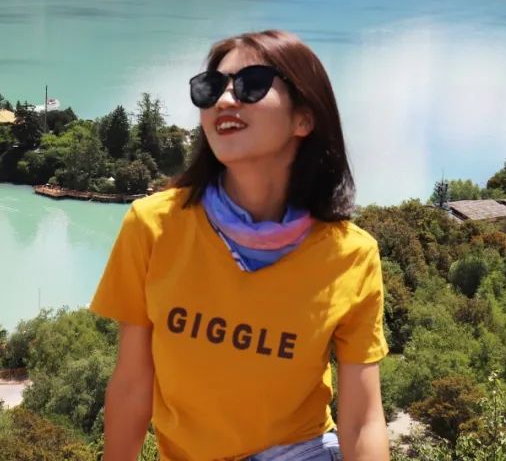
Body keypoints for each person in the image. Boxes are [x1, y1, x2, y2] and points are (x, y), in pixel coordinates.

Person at [89, 29, 390, 461]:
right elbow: (132, 385)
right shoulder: (154, 226)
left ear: (304, 119)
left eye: (252, 84)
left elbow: (362, 420)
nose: (225, 100)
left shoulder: (350, 255)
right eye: (211, 88)